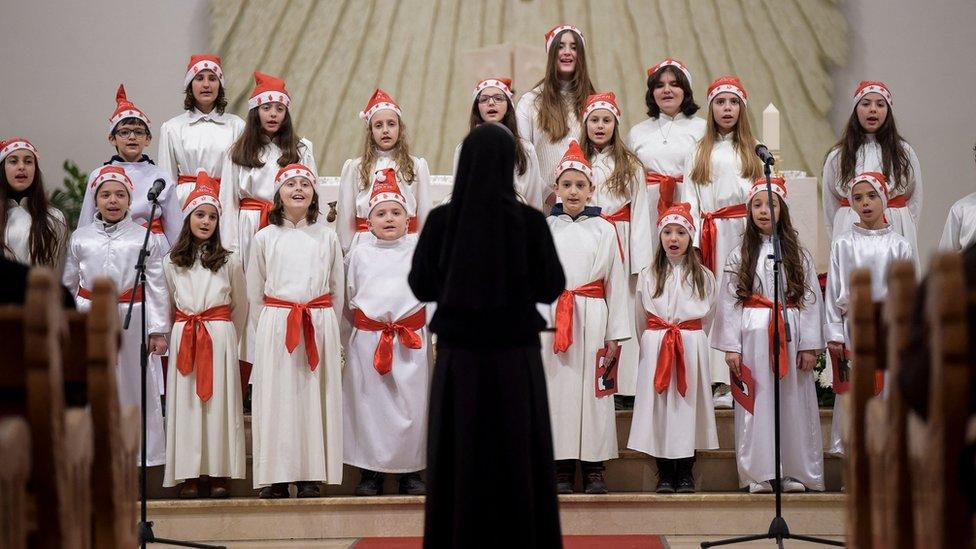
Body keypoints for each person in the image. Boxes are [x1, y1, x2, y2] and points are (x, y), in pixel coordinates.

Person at [409, 123, 564, 547]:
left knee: (461, 455)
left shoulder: (441, 221)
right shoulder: (530, 222)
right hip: (516, 358)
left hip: (460, 360)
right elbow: (552, 284)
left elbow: (421, 285)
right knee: (517, 454)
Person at [711, 177, 825, 493]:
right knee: (757, 403)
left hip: (790, 334)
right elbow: (730, 300)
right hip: (753, 335)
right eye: (757, 205)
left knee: (791, 402)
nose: (764, 210)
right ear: (749, 211)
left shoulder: (796, 253)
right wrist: (731, 346)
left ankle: (793, 470)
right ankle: (759, 472)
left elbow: (811, 299)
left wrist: (811, 345)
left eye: (771, 204)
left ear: (782, 209)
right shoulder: (740, 254)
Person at [245, 163, 343, 499]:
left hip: (317, 323)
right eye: (291, 184)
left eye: (305, 183)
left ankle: (309, 474)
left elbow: (336, 288)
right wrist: (270, 328)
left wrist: (326, 327)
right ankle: (275, 475)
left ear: (314, 193)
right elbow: (254, 291)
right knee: (276, 400)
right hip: (277, 325)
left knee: (311, 398)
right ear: (278, 194)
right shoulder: (264, 238)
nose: (298, 189)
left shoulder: (327, 236)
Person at [63, 165, 170, 466]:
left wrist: (159, 330)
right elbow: (68, 286)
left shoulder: (144, 237)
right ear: (95, 200)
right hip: (90, 318)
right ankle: (90, 454)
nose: (113, 200)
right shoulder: (80, 238)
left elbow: (158, 286)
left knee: (132, 384)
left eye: (120, 195)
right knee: (92, 382)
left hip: (132, 319)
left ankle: (136, 457)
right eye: (106, 195)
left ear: (129, 200)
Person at [542, 140, 630, 495]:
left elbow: (617, 282)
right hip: (554, 319)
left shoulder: (605, 229)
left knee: (594, 394)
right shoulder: (545, 228)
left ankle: (594, 467)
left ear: (592, 188)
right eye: (567, 185)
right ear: (556, 189)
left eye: (580, 185)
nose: (574, 191)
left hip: (593, 317)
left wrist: (615, 334)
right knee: (559, 391)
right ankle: (561, 467)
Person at [343, 168, 430, 497]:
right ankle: (371, 471)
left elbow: (430, 295)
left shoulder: (419, 250)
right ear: (369, 218)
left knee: (412, 406)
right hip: (369, 342)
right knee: (370, 406)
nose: (389, 218)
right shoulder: (360, 253)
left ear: (408, 218)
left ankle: (411, 470)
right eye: (381, 213)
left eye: (396, 212)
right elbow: (349, 299)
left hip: (411, 343)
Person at [162, 173, 247, 498]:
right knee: (188, 405)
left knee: (218, 406)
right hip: (187, 334)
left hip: (219, 334)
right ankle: (189, 473)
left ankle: (218, 471)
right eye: (200, 214)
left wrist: (226, 336)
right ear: (187, 218)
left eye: (212, 216)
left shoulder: (230, 260)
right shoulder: (172, 262)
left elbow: (240, 305)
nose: (206, 221)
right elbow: (170, 301)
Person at [682, 76, 762, 409]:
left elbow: (762, 195)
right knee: (715, 306)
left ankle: (744, 374)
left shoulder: (755, 150)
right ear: (711, 108)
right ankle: (715, 380)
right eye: (720, 102)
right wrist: (695, 240)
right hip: (712, 235)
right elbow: (690, 199)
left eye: (732, 102)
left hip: (744, 233)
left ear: (742, 107)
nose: (726, 108)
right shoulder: (699, 151)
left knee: (743, 300)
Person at [628, 203, 718, 494]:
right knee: (661, 410)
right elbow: (640, 318)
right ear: (660, 236)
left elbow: (710, 316)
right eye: (667, 232)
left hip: (690, 346)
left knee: (687, 409)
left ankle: (686, 472)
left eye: (680, 232)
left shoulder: (703, 276)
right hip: (657, 345)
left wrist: (693, 341)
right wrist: (652, 343)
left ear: (690, 237)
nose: (673, 238)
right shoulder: (649, 273)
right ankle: (664, 472)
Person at [824, 172, 915, 455]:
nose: (865, 203)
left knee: (887, 393)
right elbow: (833, 294)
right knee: (856, 394)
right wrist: (835, 334)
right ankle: (855, 460)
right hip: (854, 329)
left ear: (885, 199)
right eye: (858, 198)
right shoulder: (842, 244)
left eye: (872, 196)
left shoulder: (900, 245)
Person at [579, 91, 652, 402]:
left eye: (606, 120)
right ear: (585, 125)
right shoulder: (577, 161)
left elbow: (639, 215)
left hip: (620, 238)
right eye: (594, 120)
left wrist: (641, 262)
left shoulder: (631, 165)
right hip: (589, 239)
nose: (600, 126)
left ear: (615, 124)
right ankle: (591, 377)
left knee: (622, 307)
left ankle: (625, 385)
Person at [219, 71, 318, 267]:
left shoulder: (302, 149)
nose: (273, 114)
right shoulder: (237, 152)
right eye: (266, 108)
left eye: (279, 108)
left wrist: (310, 234)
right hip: (250, 225)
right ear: (255, 112)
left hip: (287, 222)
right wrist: (230, 247)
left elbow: (312, 194)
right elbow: (228, 201)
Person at [822, 81, 922, 261]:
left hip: (895, 223)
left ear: (888, 110)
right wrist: (839, 231)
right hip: (850, 226)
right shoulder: (838, 155)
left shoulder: (903, 152)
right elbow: (830, 203)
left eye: (880, 104)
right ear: (856, 109)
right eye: (866, 103)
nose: (873, 109)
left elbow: (914, 197)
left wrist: (906, 226)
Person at [79, 85, 182, 249]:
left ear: (148, 139)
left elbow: (175, 226)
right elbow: (86, 222)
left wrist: (178, 259)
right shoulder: (99, 175)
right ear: (112, 138)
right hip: (111, 244)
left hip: (152, 245)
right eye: (124, 132)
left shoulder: (160, 176)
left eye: (139, 132)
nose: (132, 137)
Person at [337, 88, 431, 252]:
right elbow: (346, 218)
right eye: (378, 125)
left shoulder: (416, 166)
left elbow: (424, 214)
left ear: (400, 129)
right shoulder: (355, 167)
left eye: (391, 124)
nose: (385, 130)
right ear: (371, 131)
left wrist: (427, 251)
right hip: (366, 244)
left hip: (407, 245)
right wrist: (345, 253)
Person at [516, 24, 596, 205]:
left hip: (588, 208)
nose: (567, 52)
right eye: (560, 46)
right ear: (551, 54)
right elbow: (523, 160)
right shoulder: (530, 102)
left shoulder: (594, 104)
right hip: (545, 208)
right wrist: (549, 196)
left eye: (573, 47)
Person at [627, 57, 706, 237]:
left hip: (689, 206)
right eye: (660, 85)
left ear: (686, 91)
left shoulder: (703, 129)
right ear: (652, 93)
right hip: (648, 211)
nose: (667, 90)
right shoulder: (637, 133)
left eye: (674, 84)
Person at [158, 54, 246, 205]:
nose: (206, 85)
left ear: (220, 85)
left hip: (225, 200)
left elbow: (243, 175)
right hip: (185, 202)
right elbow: (167, 179)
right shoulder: (172, 128)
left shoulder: (237, 126)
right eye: (199, 78)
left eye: (212, 78)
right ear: (190, 85)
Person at [450, 77, 544, 211]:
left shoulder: (526, 149)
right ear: (477, 108)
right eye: (484, 99)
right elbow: (458, 196)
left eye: (498, 98)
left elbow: (534, 202)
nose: (491, 103)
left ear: (508, 105)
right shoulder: (464, 149)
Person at [0, 137, 68, 270]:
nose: (21, 167)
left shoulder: (54, 217)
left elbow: (59, 271)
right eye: (13, 161)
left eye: (28, 161)